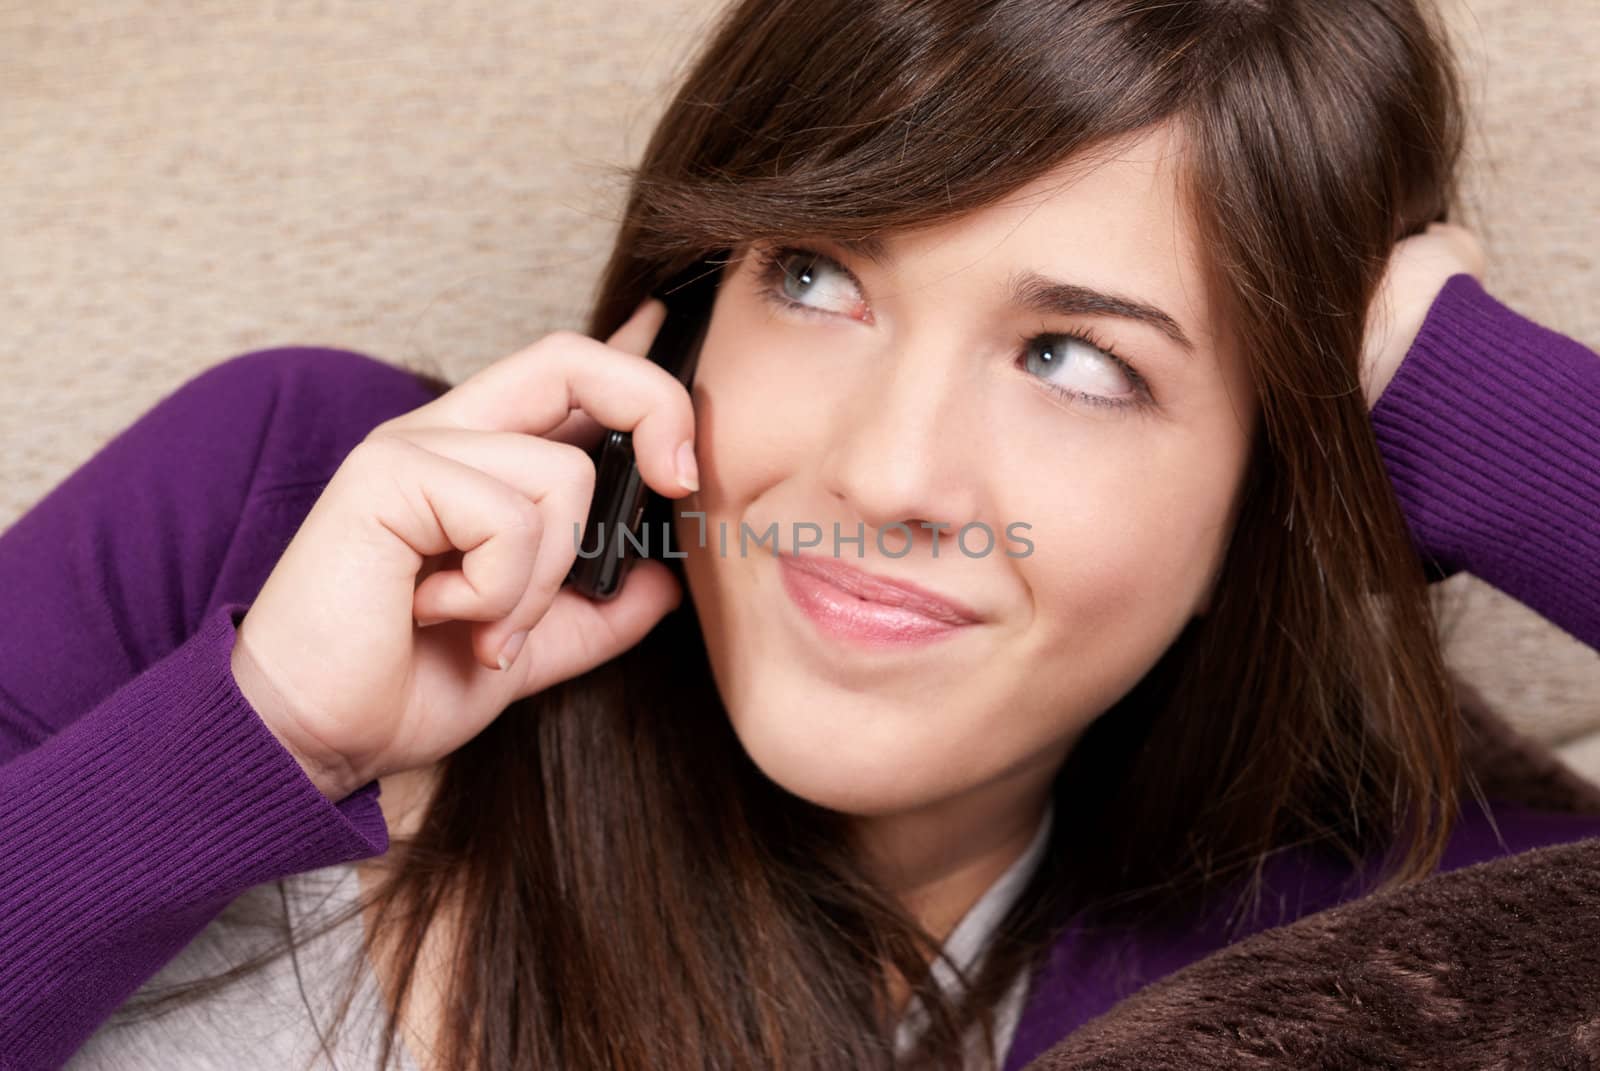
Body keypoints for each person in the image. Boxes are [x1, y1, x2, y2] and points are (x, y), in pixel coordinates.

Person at [2, 1, 1597, 1069]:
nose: (887, 472)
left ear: (1278, 482)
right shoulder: (283, 510)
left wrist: (1452, 383)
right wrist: (256, 731)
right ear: (690, 307)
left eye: (1078, 362)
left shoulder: (1362, 951)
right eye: (819, 277)